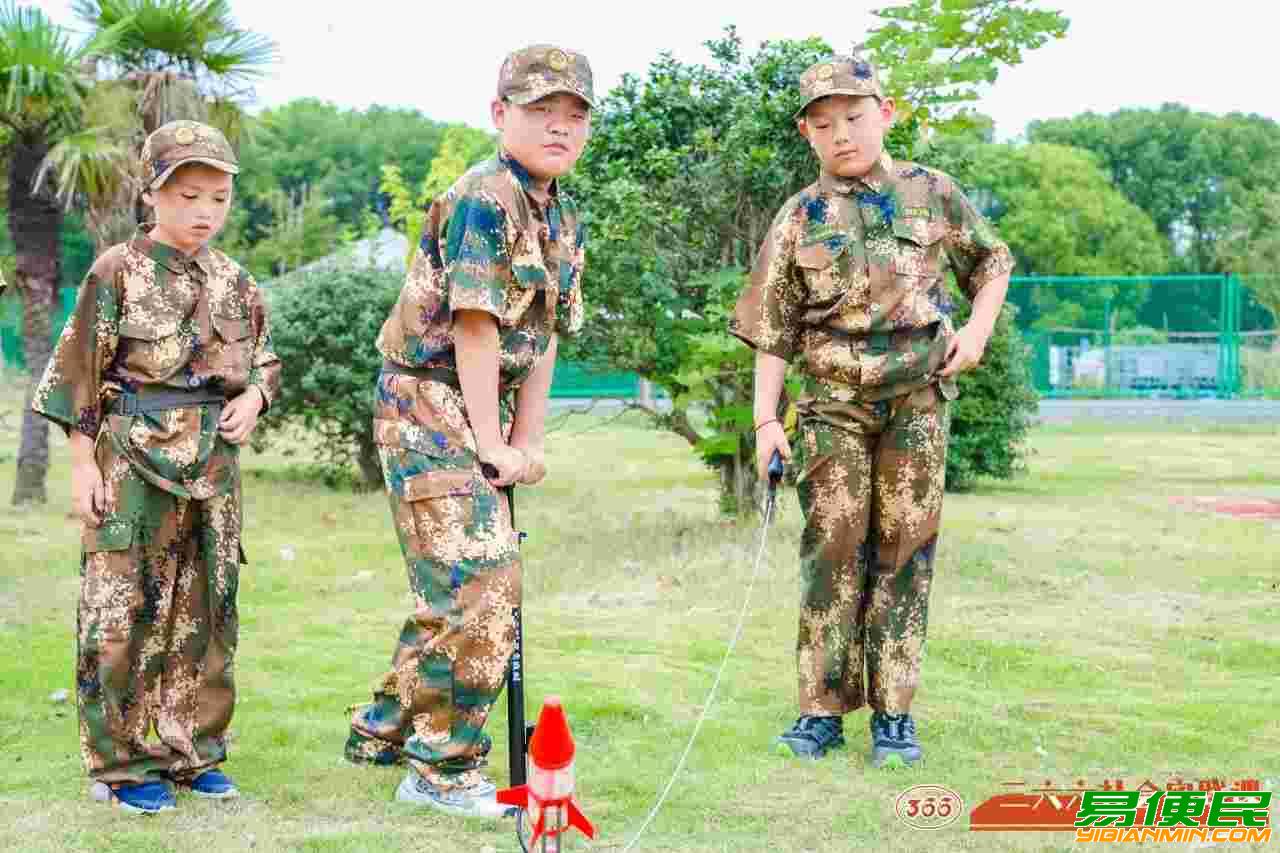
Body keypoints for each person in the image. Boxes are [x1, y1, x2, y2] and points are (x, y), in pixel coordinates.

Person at [730, 54, 1014, 767]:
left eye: (854, 117)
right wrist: (766, 421)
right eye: (824, 124)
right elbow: (772, 329)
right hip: (833, 405)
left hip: (918, 401)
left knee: (905, 552)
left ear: (884, 113)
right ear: (807, 133)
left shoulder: (932, 192)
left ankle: (894, 716)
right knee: (831, 547)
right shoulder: (800, 216)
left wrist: (978, 332)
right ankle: (820, 713)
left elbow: (992, 262)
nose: (842, 134)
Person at [343, 44, 593, 816]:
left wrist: (530, 442)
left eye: (574, 113)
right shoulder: (486, 196)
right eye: (540, 110)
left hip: (477, 399)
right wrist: (491, 442)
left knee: (456, 581)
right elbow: (476, 328)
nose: (559, 126)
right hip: (428, 399)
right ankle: (442, 769)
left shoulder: (561, 213)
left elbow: (541, 337)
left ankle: (384, 729)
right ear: (499, 115)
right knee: (481, 583)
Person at [32, 120, 280, 812]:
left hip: (212, 470)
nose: (205, 212)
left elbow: (265, 359)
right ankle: (119, 763)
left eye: (219, 199)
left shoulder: (235, 280)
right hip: (132, 463)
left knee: (207, 611)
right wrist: (83, 467)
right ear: (153, 193)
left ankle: (193, 751)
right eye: (188, 195)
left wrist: (256, 397)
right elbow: (77, 373)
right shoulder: (116, 271)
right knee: (120, 611)